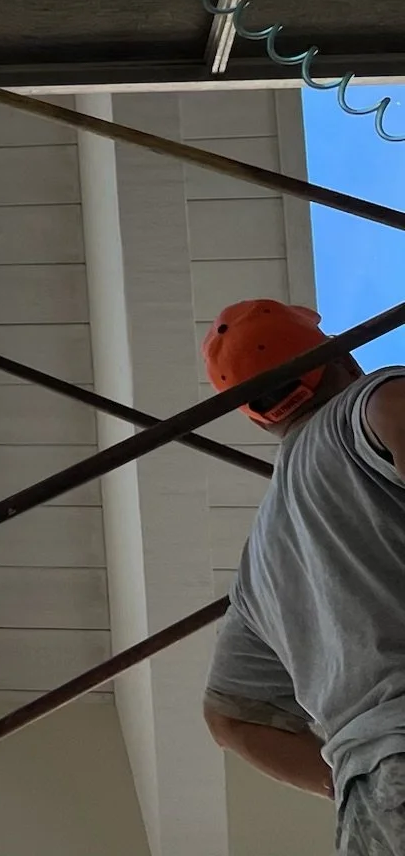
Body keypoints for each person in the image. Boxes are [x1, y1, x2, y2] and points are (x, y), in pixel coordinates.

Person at [198, 298, 405, 852]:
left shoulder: (259, 567)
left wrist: (352, 779)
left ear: (258, 414)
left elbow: (229, 719)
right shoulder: (368, 403)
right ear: (339, 356)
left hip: (373, 804)